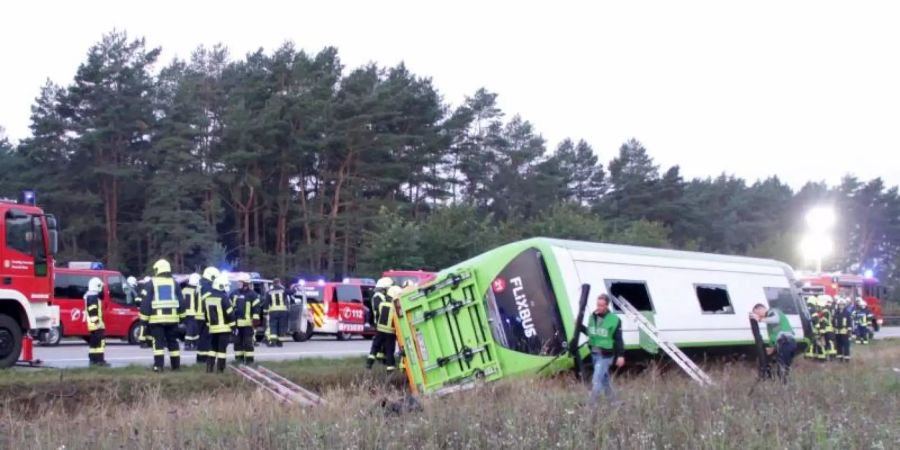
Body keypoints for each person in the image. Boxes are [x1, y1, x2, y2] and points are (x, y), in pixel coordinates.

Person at [139, 259, 186, 372]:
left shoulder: (151, 283)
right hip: (173, 320)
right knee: (173, 343)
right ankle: (176, 367)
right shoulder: (174, 283)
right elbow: (181, 301)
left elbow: (145, 302)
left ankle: (158, 367)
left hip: (156, 320)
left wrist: (144, 320)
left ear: (157, 270)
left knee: (158, 344)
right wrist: (182, 317)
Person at [583, 294, 624, 402]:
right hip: (594, 353)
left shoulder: (614, 320)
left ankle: (591, 406)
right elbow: (590, 332)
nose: (599, 307)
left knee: (596, 380)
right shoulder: (592, 317)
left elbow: (619, 339)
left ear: (607, 306)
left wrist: (620, 356)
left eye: (601, 305)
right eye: (598, 305)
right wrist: (579, 326)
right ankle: (614, 402)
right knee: (604, 380)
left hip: (605, 355)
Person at [751, 303, 797, 383]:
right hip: (782, 344)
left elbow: (776, 319)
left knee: (782, 369)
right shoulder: (769, 325)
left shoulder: (773, 311)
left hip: (786, 342)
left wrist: (760, 319)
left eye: (757, 313)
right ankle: (784, 387)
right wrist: (772, 348)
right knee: (780, 368)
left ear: (761, 309)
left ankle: (786, 389)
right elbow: (775, 337)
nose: (757, 315)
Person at [203, 274, 235, 373]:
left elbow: (205, 313)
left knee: (212, 349)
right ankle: (220, 370)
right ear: (221, 286)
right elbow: (230, 313)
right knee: (222, 350)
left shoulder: (207, 297)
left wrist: (209, 325)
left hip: (213, 328)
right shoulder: (224, 297)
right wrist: (233, 326)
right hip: (224, 328)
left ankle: (209, 368)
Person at [368, 285, 401, 372]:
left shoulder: (381, 304)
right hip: (390, 333)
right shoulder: (395, 308)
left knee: (375, 347)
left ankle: (369, 364)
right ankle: (390, 369)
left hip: (380, 330)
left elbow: (377, 315)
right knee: (390, 351)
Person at [231, 273, 261, 364]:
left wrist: (255, 321)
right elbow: (229, 308)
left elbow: (256, 309)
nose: (238, 284)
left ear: (245, 283)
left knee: (248, 343)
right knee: (237, 343)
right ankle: (238, 360)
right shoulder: (234, 294)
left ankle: (249, 360)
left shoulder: (253, 295)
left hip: (248, 324)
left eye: (240, 282)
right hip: (236, 325)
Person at [366, 277, 393, 368]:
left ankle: (381, 359)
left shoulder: (380, 296)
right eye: (388, 289)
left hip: (381, 324)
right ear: (384, 289)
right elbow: (381, 310)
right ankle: (379, 360)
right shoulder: (378, 296)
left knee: (381, 344)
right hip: (380, 323)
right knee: (382, 344)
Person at [196, 267, 219, 363]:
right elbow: (209, 300)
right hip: (204, 315)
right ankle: (204, 359)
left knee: (202, 338)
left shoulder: (201, 283)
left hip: (200, 314)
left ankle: (201, 358)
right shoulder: (206, 285)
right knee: (206, 338)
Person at [85, 277, 109, 367]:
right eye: (101, 287)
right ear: (97, 286)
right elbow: (93, 311)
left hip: (92, 324)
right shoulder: (93, 297)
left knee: (93, 343)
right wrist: (97, 323)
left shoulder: (90, 296)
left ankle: (93, 360)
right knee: (100, 343)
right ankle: (100, 361)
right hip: (96, 324)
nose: (102, 289)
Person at [264, 278, 290, 347]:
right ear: (279, 283)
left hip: (273, 312)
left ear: (273, 284)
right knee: (281, 327)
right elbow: (292, 292)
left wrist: (265, 312)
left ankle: (273, 342)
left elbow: (266, 303)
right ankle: (280, 342)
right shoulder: (283, 290)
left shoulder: (269, 292)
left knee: (273, 326)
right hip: (283, 312)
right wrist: (295, 288)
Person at [181, 273, 201, 351]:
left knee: (194, 329)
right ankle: (187, 344)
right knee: (191, 329)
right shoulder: (196, 290)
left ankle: (195, 344)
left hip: (186, 312)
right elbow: (197, 302)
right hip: (193, 312)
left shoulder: (184, 290)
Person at [833, 297, 852, 362]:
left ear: (844, 305)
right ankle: (840, 358)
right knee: (838, 345)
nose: (841, 306)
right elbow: (833, 322)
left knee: (846, 346)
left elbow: (849, 322)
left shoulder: (847, 313)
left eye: (842, 305)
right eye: (840, 305)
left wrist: (849, 331)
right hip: (837, 332)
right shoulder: (836, 313)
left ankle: (847, 358)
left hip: (845, 332)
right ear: (838, 305)